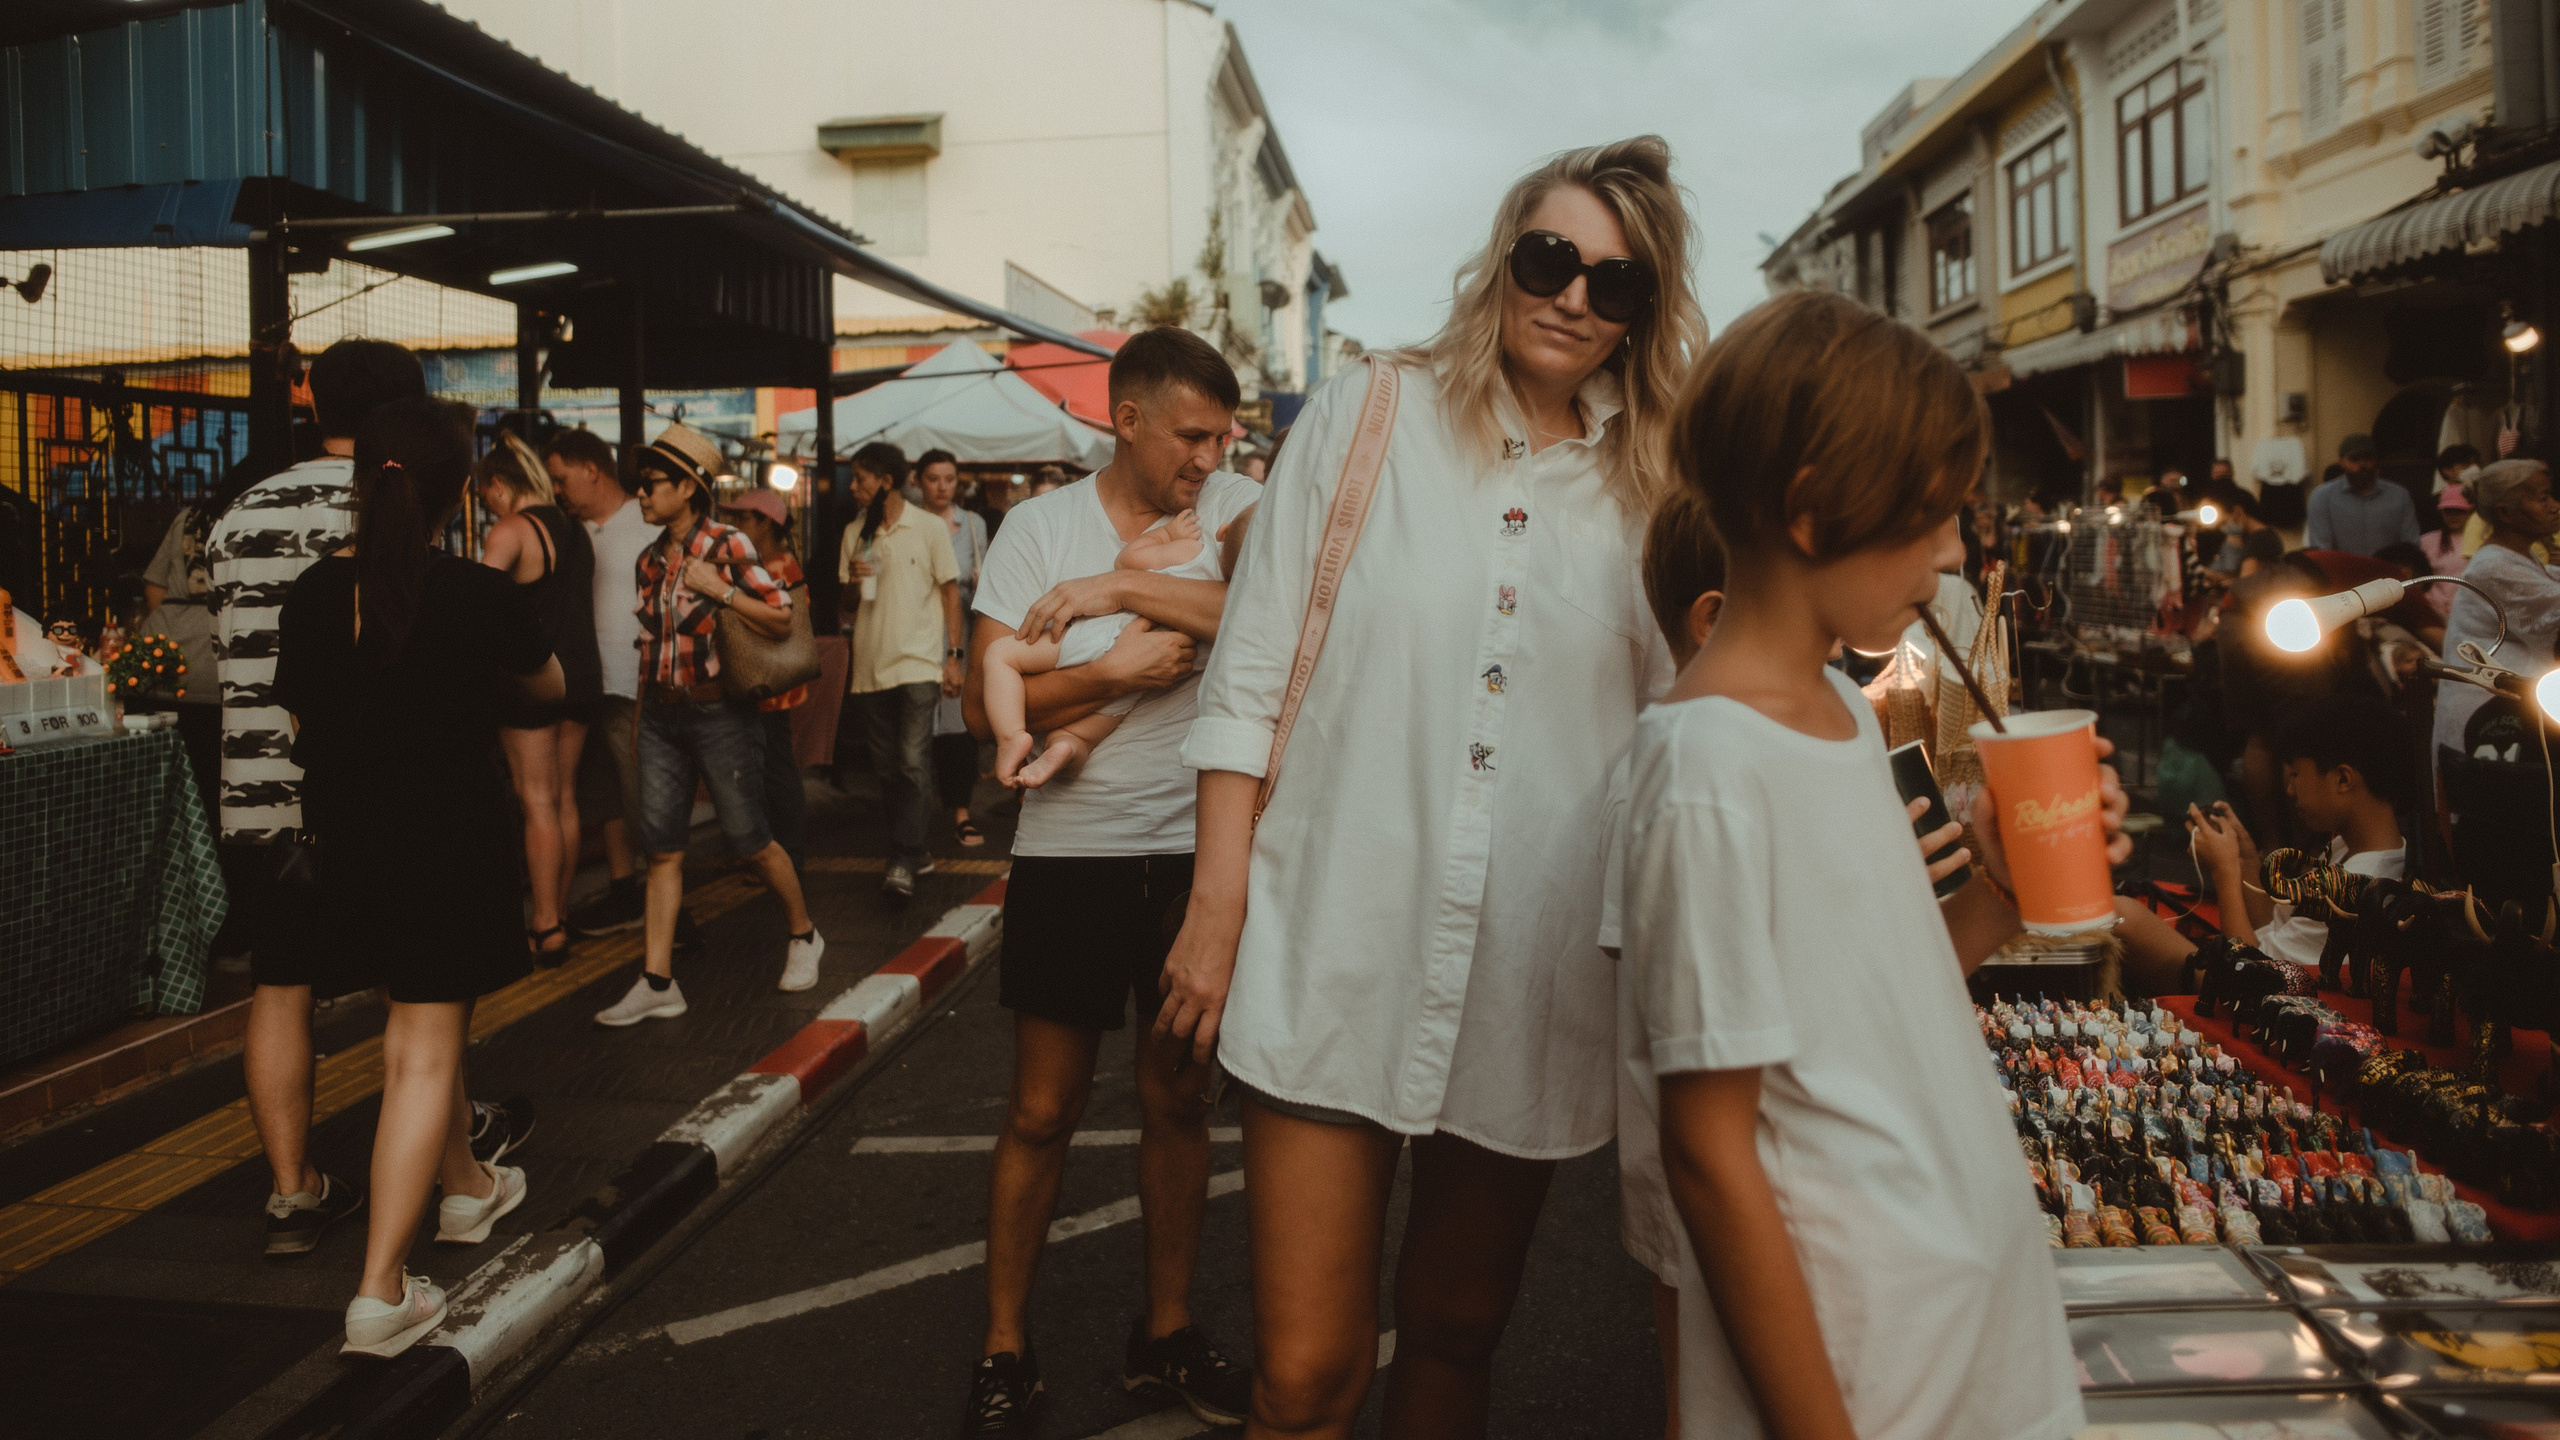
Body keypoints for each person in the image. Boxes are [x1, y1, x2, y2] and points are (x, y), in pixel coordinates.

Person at [1160, 136, 1706, 1438]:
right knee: (1302, 1375)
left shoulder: (1655, 492)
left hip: (1534, 965)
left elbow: (1687, 724)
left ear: (1643, 312)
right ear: (1505, 259)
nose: (1574, 296)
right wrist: (1215, 905)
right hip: (1334, 938)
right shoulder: (1369, 414)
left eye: (1614, 284)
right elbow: (1250, 670)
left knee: (1459, 1332)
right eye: (1551, 258)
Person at [1625, 286, 2124, 1440]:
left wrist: (2003, 883)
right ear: (1812, 511)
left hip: (1963, 1320)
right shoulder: (1707, 767)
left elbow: (1871, 1004)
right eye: (1933, 515)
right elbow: (1707, 1149)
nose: (1953, 551)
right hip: (1862, 1367)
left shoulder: (1846, 718)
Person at [956, 324, 1263, 1434]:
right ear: (1125, 418)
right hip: (1072, 852)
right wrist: (1111, 668)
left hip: (1200, 851)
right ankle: (1003, 1346)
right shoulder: (1036, 527)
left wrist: (1106, 598)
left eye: (1221, 434)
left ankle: (1165, 1336)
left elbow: (1272, 622)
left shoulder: (1233, 511)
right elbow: (980, 694)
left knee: (1177, 1099)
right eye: (1191, 433)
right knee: (1041, 1109)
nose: (1208, 452)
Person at [208, 339, 516, 1259]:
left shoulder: (240, 512)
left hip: (256, 790)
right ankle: (455, 1176)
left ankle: (293, 1190)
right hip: (362, 792)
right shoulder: (397, 505)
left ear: (312, 405)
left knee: (279, 985)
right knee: (416, 997)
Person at [276, 398, 561, 1358]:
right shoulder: (476, 594)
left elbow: (305, 722)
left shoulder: (316, 593)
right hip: (450, 842)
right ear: (455, 494)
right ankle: (381, 1291)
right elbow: (551, 686)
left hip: (352, 846)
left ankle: (469, 1189)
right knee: (421, 1053)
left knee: (416, 1027)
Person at [592, 424, 825, 1024]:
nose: (640, 494)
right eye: (639, 484)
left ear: (689, 487)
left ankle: (804, 935)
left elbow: (780, 617)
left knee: (749, 840)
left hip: (722, 713)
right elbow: (652, 644)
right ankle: (658, 980)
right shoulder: (649, 560)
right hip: (662, 715)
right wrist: (645, 719)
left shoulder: (727, 546)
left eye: (652, 484)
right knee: (662, 849)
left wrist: (719, 591)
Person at [1597, 488, 1725, 1440]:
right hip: (1712, 1181)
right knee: (1707, 1393)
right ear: (1714, 619)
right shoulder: (1676, 770)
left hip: (1718, 1174)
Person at [2113, 700, 2409, 993]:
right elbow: (2276, 928)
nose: (2290, 790)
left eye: (2296, 775)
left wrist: (2224, 871)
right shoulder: (2355, 847)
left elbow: (2254, 971)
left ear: (2343, 779)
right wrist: (2246, 862)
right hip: (2262, 967)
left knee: (2122, 916)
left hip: (2260, 988)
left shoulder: (2357, 883)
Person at [982, 507, 1230, 789]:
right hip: (1157, 673)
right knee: (1079, 738)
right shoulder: (1235, 598)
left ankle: (1011, 736)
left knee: (1000, 655)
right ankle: (1065, 747)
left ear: (1224, 532)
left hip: (1107, 636)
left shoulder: (1194, 553)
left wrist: (1166, 534)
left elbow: (1127, 561)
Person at [474, 433, 603, 963]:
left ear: (500, 486)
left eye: (485, 496)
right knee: (564, 798)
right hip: (580, 678)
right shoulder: (574, 529)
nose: (486, 506)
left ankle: (545, 923)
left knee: (536, 802)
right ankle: (561, 912)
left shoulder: (511, 530)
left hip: (529, 683)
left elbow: (473, 601)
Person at [550, 429, 674, 941]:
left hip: (633, 682)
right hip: (584, 685)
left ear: (591, 470)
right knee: (601, 797)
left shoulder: (644, 524)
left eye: (561, 479)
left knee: (640, 796)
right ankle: (625, 892)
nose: (557, 490)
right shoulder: (567, 531)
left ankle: (667, 900)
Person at [840, 441, 963, 898]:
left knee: (912, 761)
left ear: (886, 481)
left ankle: (903, 858)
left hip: (918, 663)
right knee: (889, 769)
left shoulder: (929, 528)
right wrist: (853, 583)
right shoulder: (856, 533)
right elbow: (847, 606)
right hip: (870, 667)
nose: (854, 488)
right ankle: (914, 849)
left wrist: (954, 658)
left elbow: (951, 593)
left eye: (861, 478)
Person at [2436, 459, 2560, 770]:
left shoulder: (2520, 554)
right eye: (2543, 498)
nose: (2555, 506)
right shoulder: (2493, 565)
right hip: (2489, 716)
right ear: (2505, 513)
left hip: (2511, 707)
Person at [718, 488, 812, 877]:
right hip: (765, 685)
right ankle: (776, 854)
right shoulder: (766, 564)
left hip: (770, 686)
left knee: (775, 771)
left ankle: (787, 856)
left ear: (767, 524)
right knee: (770, 769)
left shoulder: (778, 568)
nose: (736, 526)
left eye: (743, 519)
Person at [918, 449, 993, 848]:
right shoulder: (910, 523)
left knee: (957, 725)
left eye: (950, 478)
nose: (943, 486)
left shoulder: (974, 524)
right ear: (919, 482)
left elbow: (983, 588)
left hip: (959, 635)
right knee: (917, 727)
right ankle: (917, 819)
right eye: (934, 478)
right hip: (917, 634)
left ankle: (962, 814)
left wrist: (982, 583)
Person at [2304, 433, 2420, 557]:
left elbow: (2411, 546)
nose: (2362, 465)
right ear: (2341, 462)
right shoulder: (2322, 497)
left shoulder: (2399, 495)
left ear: (2375, 460)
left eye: (2367, 458)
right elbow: (2322, 551)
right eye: (2355, 459)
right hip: (2343, 572)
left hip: (2388, 572)